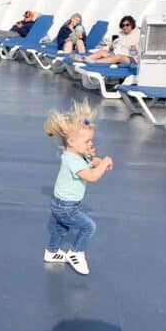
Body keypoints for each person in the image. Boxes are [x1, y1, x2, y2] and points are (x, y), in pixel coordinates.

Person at [44, 100, 113, 275]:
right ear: (73, 141)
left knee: (60, 228)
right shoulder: (73, 160)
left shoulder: (75, 154)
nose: (90, 144)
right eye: (88, 141)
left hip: (61, 203)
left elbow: (91, 163)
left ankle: (51, 252)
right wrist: (103, 165)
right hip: (66, 206)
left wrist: (98, 161)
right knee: (89, 227)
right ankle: (76, 254)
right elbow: (92, 176)